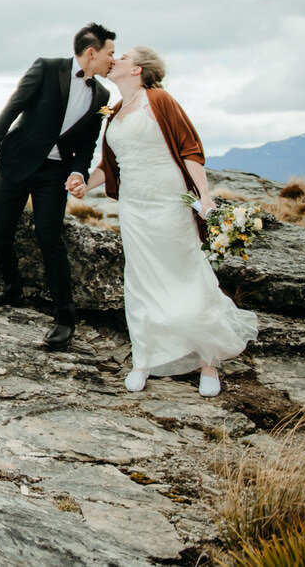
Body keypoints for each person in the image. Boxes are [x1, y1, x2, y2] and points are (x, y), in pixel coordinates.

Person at [80, 47, 257, 397]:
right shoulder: (113, 111)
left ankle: (208, 359)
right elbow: (111, 164)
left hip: (169, 201)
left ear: (138, 70)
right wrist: (84, 185)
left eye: (124, 56)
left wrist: (205, 198)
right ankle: (143, 359)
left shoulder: (160, 100)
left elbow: (190, 149)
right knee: (141, 279)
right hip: (133, 207)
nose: (115, 58)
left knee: (185, 273)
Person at [0, 22, 116, 349]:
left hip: (55, 174)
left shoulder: (103, 95)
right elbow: (12, 108)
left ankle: (65, 320)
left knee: (50, 238)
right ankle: (12, 288)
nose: (113, 59)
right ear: (91, 52)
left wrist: (79, 173)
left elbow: (88, 144)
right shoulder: (47, 68)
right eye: (110, 53)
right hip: (15, 163)